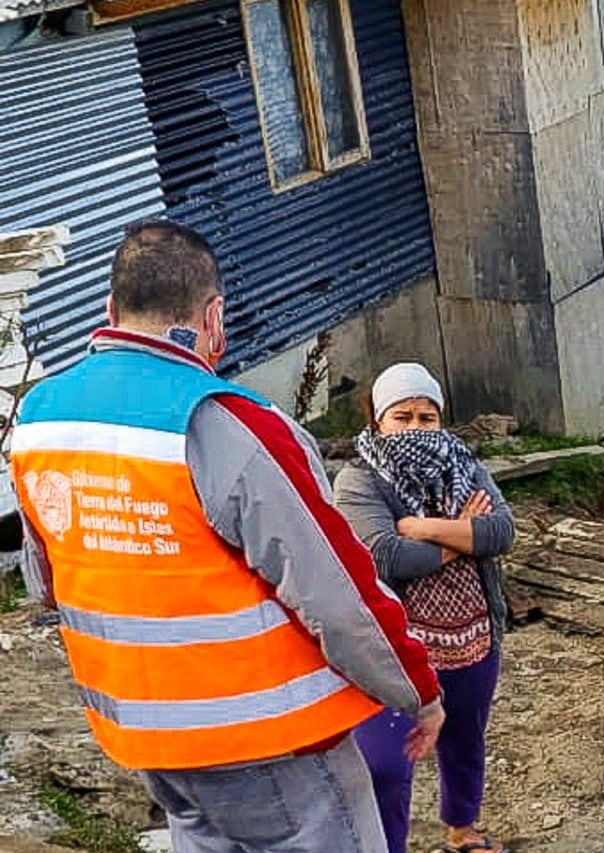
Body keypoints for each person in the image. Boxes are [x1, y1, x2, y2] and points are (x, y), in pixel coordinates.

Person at [9, 221, 445, 853]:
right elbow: (335, 592)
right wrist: (417, 691)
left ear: (111, 310)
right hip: (270, 738)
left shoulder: (42, 418)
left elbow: (46, 577)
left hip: (146, 733)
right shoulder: (225, 422)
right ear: (213, 315)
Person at [334, 362, 514, 853]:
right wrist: (462, 533)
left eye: (426, 417)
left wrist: (426, 528)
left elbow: (501, 532)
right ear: (378, 422)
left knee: (465, 740)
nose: (415, 428)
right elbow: (387, 556)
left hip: (472, 637)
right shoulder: (358, 482)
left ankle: (462, 829)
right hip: (394, 653)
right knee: (386, 764)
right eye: (402, 417)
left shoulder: (465, 464)